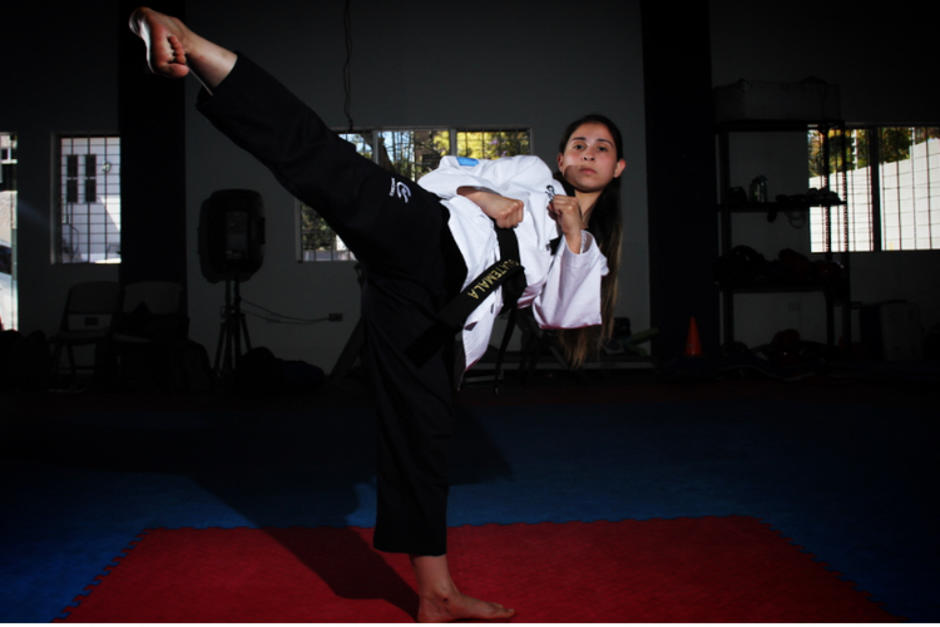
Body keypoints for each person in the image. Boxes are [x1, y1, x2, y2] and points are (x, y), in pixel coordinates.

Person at [128, 7, 625, 622]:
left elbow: (560, 316)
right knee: (323, 162)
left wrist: (573, 236)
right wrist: (484, 194)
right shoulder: (527, 171)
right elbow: (443, 173)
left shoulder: (589, 252)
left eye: (601, 148)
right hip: (429, 236)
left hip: (438, 320)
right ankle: (195, 46)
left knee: (423, 446)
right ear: (561, 151)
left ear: (615, 169)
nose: (588, 152)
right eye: (579, 142)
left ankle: (436, 594)